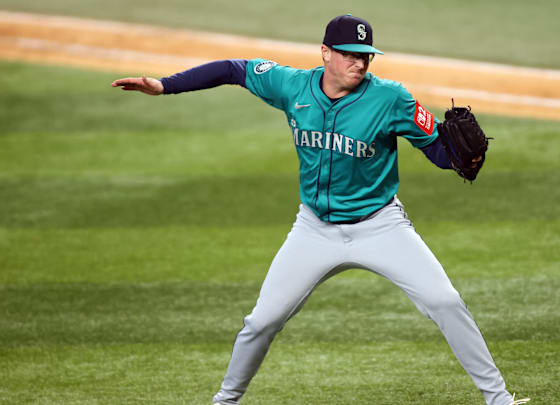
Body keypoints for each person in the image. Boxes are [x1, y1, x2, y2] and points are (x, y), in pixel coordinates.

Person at [112, 14, 529, 405]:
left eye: (365, 55)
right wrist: (165, 85)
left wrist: (460, 156)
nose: (359, 63)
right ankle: (224, 401)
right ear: (326, 53)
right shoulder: (292, 86)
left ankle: (500, 399)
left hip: (380, 226)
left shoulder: (392, 99)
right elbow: (232, 69)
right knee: (261, 322)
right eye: (349, 54)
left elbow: (439, 151)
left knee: (445, 301)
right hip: (313, 229)